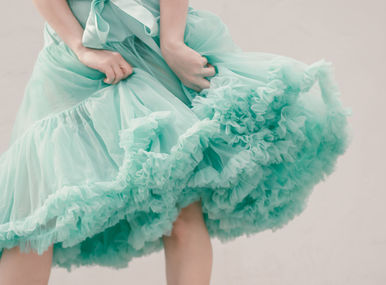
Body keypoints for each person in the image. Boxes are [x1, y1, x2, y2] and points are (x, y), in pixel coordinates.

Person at [0, 0, 352, 284]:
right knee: (34, 215)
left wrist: (171, 42)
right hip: (71, 54)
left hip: (148, 43)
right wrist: (81, 48)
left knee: (180, 205)